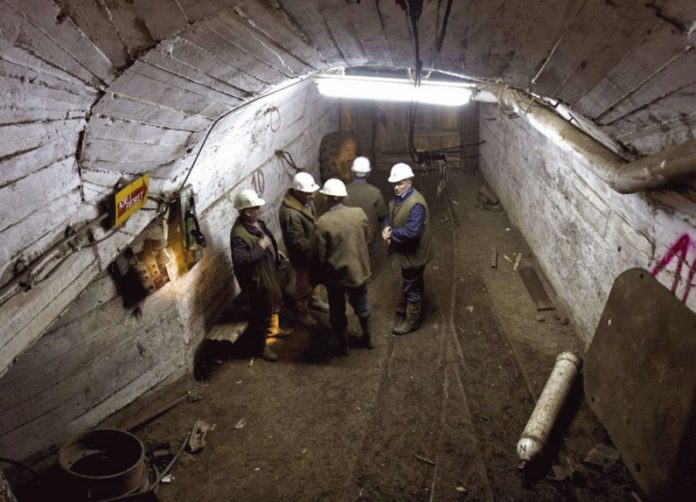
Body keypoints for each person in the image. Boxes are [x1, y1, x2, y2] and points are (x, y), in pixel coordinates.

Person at [311, 178, 373, 354]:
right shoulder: (359, 214)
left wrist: (316, 276)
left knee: (337, 310)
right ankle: (368, 338)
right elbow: (368, 237)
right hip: (359, 270)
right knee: (362, 305)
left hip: (336, 276)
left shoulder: (322, 223)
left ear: (327, 198)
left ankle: (343, 346)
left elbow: (319, 255)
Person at [230, 189, 282, 362]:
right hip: (257, 282)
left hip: (267, 273)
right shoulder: (238, 235)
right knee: (260, 316)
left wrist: (274, 251)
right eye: (256, 208)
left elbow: (267, 240)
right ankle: (260, 347)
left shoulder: (256, 223)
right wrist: (261, 247)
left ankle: (272, 331)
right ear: (247, 211)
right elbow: (241, 260)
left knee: (271, 306)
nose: (260, 210)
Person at [382, 162, 433, 335]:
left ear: (410, 181)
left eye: (400, 183)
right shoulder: (402, 197)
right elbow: (392, 213)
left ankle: (412, 321)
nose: (396, 187)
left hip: (414, 255)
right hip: (408, 253)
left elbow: (412, 232)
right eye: (394, 184)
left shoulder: (415, 204)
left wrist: (391, 234)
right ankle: (413, 305)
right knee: (413, 280)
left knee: (412, 285)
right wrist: (387, 226)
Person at [279, 171, 330, 328]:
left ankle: (314, 301)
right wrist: (319, 243)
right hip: (302, 257)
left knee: (314, 278)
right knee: (303, 286)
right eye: (308, 193)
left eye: (312, 192)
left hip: (311, 252)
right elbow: (298, 243)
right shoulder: (291, 214)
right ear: (298, 192)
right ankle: (303, 313)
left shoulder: (304, 201)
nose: (312, 196)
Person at [344, 156, 388, 280]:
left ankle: (353, 274)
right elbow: (382, 214)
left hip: (349, 230)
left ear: (353, 172)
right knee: (370, 252)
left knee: (351, 251)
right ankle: (368, 274)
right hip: (368, 231)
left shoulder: (344, 190)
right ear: (368, 173)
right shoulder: (375, 192)